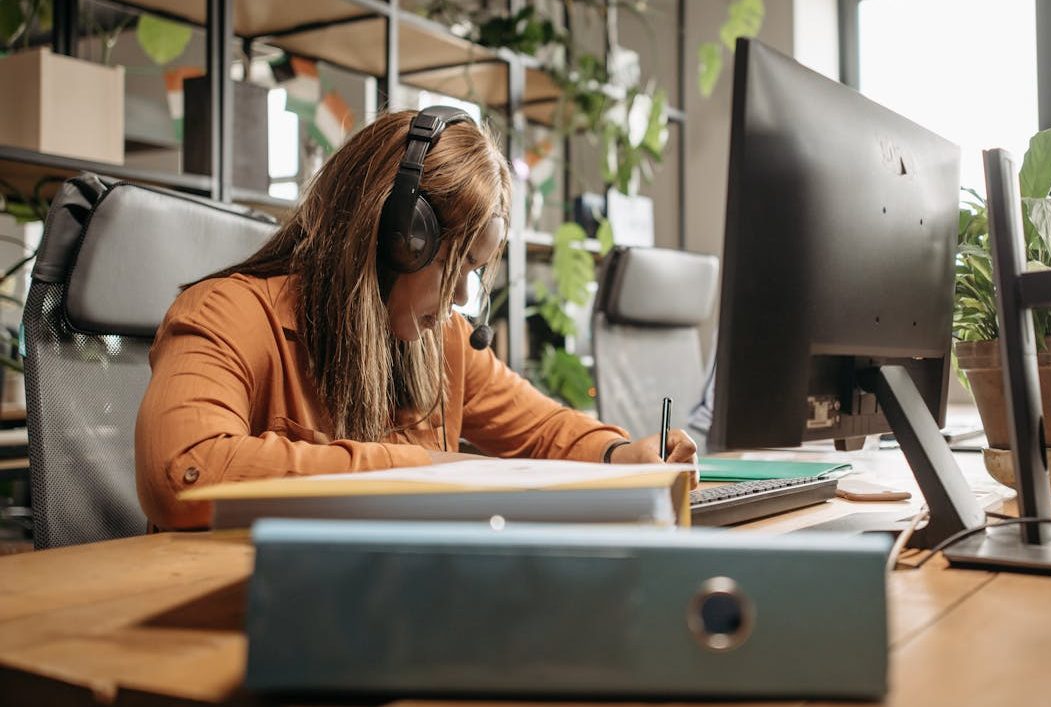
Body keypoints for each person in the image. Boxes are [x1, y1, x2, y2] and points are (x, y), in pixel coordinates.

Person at [135, 107, 696, 530]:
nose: (459, 298)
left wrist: (622, 454)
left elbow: (545, 430)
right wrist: (420, 468)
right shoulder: (227, 314)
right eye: (454, 265)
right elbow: (182, 471)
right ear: (395, 239)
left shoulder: (442, 343)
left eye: (474, 269)